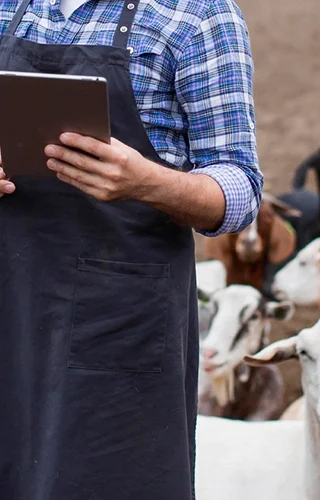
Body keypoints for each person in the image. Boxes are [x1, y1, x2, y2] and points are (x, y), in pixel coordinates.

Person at [0, 0, 263, 499]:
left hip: (118, 325)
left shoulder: (197, 16)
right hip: (9, 305)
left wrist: (148, 183)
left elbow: (240, 186)